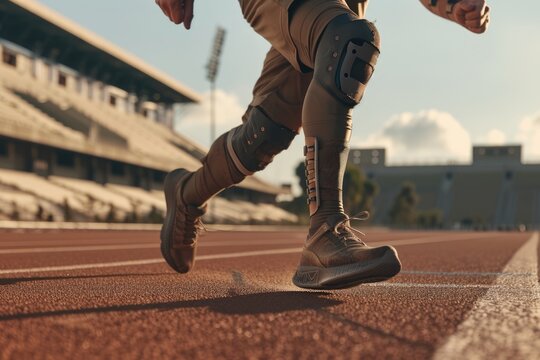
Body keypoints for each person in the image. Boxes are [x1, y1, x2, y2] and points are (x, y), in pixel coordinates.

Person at [155, 0, 490, 289]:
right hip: (324, 17)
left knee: (265, 134)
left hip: (332, 9)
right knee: (351, 41)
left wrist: (452, 4)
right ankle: (325, 230)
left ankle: (187, 192)